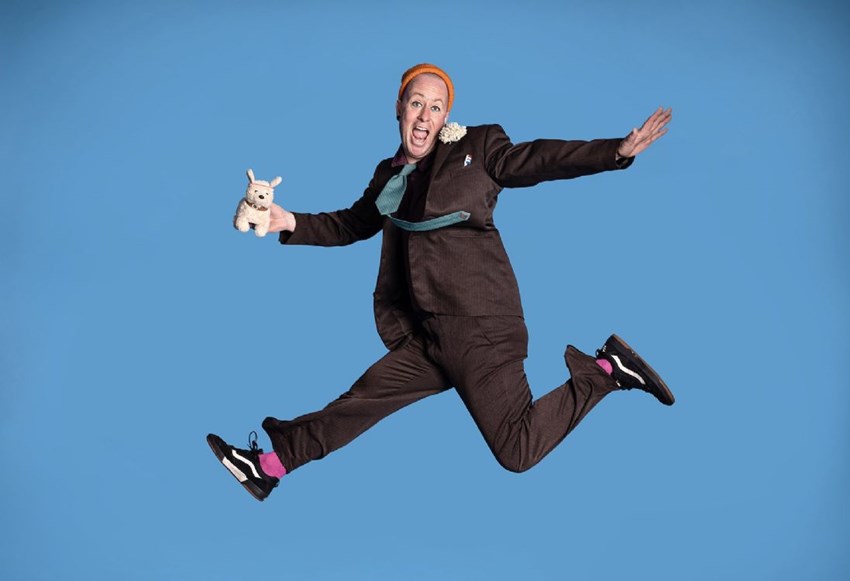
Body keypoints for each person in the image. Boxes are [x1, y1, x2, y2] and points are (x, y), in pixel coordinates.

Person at [207, 63, 675, 502]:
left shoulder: (479, 147)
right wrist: (288, 220)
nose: (424, 115)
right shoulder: (388, 175)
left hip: (479, 325)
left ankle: (607, 370)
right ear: (399, 108)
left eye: (435, 107)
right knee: (361, 401)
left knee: (517, 450)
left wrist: (614, 152)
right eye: (416, 103)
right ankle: (268, 467)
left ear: (446, 116)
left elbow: (537, 159)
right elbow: (352, 223)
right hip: (428, 331)